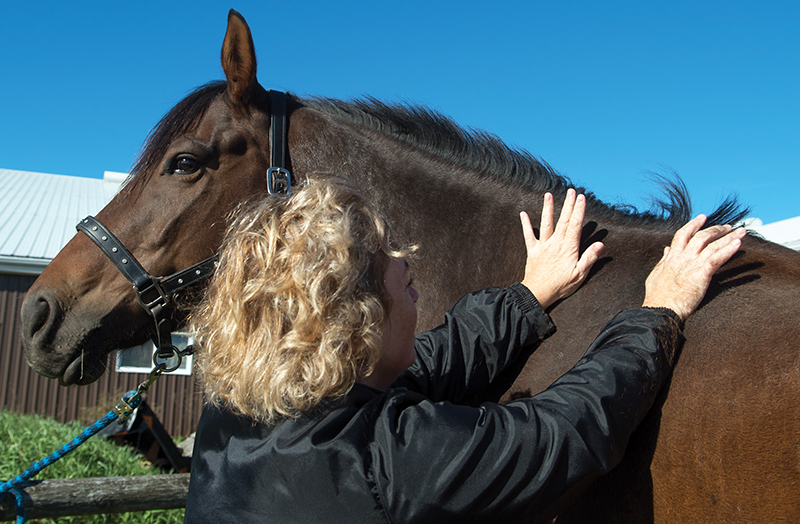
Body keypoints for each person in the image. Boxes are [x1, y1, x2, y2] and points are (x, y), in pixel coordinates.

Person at [184, 176, 745, 523]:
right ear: (356, 317)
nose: (411, 283)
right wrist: (660, 310)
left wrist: (529, 295)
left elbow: (437, 356)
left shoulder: (232, 416)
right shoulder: (388, 464)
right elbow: (564, 431)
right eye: (398, 274)